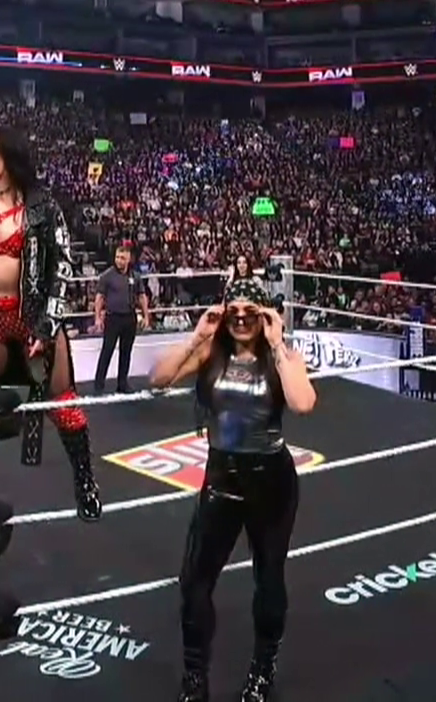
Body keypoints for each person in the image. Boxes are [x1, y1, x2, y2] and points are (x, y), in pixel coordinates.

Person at [148, 277, 317, 702]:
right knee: (194, 580)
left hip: (271, 481)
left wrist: (277, 343)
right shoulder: (210, 353)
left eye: (250, 312)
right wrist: (196, 336)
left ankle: (262, 671)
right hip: (222, 477)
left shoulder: (283, 357)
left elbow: (303, 403)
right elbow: (158, 378)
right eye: (233, 312)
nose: (241, 319)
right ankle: (195, 677)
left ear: (264, 316)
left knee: (269, 576)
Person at [0, 126, 102, 522]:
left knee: (63, 404)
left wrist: (47, 324)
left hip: (33, 315)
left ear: (6, 155)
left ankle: (85, 483)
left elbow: (62, 266)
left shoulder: (42, 205)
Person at [91, 244, 149, 395]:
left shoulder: (135, 276)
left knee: (126, 351)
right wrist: (97, 318)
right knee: (107, 350)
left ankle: (122, 384)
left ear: (129, 259)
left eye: (122, 258)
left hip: (130, 317)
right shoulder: (107, 276)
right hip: (113, 318)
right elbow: (99, 297)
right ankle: (99, 385)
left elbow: (142, 296)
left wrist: (146, 316)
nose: (119, 260)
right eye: (117, 257)